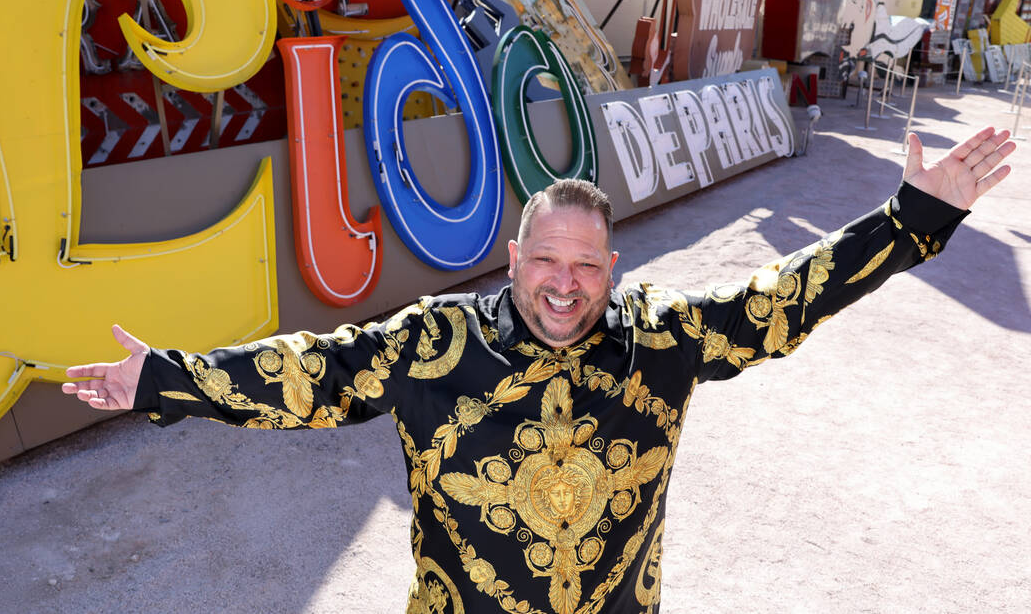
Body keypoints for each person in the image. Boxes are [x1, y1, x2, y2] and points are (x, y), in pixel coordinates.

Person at [63, 127, 1014, 614]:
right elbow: (308, 373)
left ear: (612, 267)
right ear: (514, 260)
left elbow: (781, 301)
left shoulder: (660, 339)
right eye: (546, 262)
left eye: (586, 265)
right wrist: (164, 379)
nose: (565, 286)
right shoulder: (433, 343)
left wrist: (909, 221)